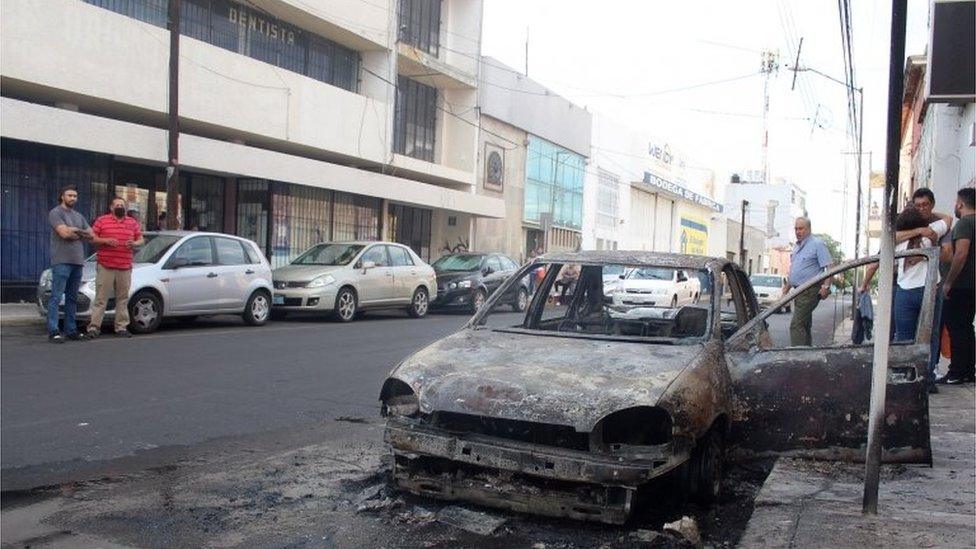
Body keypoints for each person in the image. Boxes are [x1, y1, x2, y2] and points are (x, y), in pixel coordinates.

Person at [860, 188, 954, 389]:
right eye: (918, 206)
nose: (922, 209)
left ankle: (906, 376)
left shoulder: (903, 240)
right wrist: (922, 228)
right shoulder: (931, 233)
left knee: (906, 336)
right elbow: (948, 218)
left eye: (925, 205)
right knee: (927, 335)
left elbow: (886, 241)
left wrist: (864, 284)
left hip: (911, 291)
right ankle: (925, 378)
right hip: (924, 290)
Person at [87, 197, 144, 338]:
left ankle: (121, 327)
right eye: (117, 205)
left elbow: (141, 239)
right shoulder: (102, 220)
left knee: (123, 298)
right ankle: (94, 327)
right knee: (101, 298)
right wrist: (105, 240)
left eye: (122, 205)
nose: (120, 207)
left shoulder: (132, 222)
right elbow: (91, 238)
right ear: (111, 208)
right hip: (106, 265)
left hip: (124, 266)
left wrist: (135, 243)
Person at [47, 185, 93, 343]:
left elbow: (91, 234)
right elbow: (64, 233)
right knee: (56, 297)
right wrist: (79, 232)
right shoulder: (55, 213)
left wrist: (75, 232)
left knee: (72, 298)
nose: (73, 198)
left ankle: (71, 330)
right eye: (69, 195)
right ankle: (54, 331)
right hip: (61, 261)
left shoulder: (79, 216)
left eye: (75, 196)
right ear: (62, 196)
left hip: (77, 262)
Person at [940, 187, 975, 384]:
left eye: (956, 202)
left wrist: (948, 282)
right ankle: (968, 371)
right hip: (972, 286)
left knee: (956, 328)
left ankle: (957, 372)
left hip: (962, 285)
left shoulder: (964, 224)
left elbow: (960, 254)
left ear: (960, 204)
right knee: (967, 328)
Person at [783, 217, 833, 346]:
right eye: (796, 229)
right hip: (798, 291)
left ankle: (798, 357)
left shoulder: (817, 244)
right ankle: (807, 355)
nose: (798, 231)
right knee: (804, 325)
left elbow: (830, 266)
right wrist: (786, 289)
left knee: (796, 325)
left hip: (810, 290)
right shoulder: (796, 247)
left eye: (801, 228)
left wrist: (826, 287)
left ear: (809, 229)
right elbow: (794, 270)